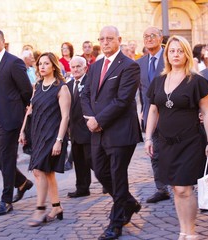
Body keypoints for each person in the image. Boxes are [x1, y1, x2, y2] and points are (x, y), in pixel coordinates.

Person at [145, 35, 208, 239]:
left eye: (180, 50)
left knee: (185, 187)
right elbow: (153, 111)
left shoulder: (197, 81)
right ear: (167, 55)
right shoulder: (158, 81)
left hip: (191, 142)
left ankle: (191, 233)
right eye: (172, 51)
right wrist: (148, 138)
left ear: (186, 54)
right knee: (176, 188)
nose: (176, 54)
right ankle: (183, 231)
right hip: (166, 143)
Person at [81, 25, 142, 240]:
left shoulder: (129, 66)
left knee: (118, 176)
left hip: (120, 132)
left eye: (109, 38)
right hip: (97, 130)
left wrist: (99, 120)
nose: (105, 42)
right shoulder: (95, 66)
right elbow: (86, 94)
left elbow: (122, 100)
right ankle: (129, 202)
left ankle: (116, 223)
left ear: (119, 40)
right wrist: (90, 119)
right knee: (99, 170)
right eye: (102, 39)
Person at [0, 29, 33, 216]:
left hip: (10, 118)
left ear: (3, 41)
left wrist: (17, 114)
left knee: (6, 157)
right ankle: (22, 182)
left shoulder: (14, 62)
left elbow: (26, 92)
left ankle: (6, 200)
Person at [19, 52, 71, 226]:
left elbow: (65, 117)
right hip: (37, 134)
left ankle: (40, 209)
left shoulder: (61, 87)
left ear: (54, 66)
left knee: (39, 171)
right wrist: (23, 131)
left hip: (52, 135)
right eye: (40, 64)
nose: (42, 67)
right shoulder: (38, 85)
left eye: (46, 63)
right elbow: (30, 110)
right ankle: (56, 207)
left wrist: (59, 140)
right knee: (47, 173)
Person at [136, 26, 170, 203]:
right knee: (154, 151)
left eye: (152, 36)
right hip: (150, 114)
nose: (149, 39)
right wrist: (143, 109)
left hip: (171, 113)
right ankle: (161, 188)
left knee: (174, 150)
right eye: (145, 36)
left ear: (160, 38)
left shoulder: (170, 57)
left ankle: (184, 182)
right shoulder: (140, 63)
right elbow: (142, 89)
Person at [67, 56, 92, 198]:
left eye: (78, 67)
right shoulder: (69, 86)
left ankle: (108, 184)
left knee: (93, 160)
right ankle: (82, 188)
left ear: (85, 68)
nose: (75, 69)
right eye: (73, 67)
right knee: (79, 161)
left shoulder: (90, 83)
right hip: (75, 130)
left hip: (88, 129)